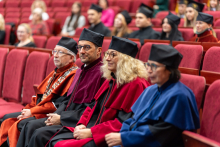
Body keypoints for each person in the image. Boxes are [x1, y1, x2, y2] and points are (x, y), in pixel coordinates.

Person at [34, 36, 150, 147]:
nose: (107, 58)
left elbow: (125, 122)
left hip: (106, 136)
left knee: (58, 144)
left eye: (113, 55)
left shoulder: (136, 84)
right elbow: (92, 106)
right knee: (41, 134)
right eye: (107, 54)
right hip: (91, 127)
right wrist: (81, 124)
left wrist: (92, 132)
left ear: (126, 60)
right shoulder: (111, 79)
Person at [17, 29, 105, 147]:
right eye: (80, 47)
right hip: (65, 116)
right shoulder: (80, 71)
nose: (82, 51)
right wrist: (55, 115)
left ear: (99, 50)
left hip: (78, 122)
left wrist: (62, 118)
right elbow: (67, 101)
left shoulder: (103, 74)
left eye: (87, 47)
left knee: (38, 132)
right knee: (29, 125)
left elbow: (93, 109)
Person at [105, 44, 200, 147]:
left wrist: (125, 139)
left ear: (169, 70)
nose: (149, 70)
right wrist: (122, 137)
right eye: (148, 65)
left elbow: (163, 134)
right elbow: (132, 119)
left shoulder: (179, 95)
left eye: (154, 66)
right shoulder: (150, 90)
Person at [0, 37, 79, 147]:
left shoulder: (73, 75)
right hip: (39, 109)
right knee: (7, 118)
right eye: (54, 51)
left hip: (50, 114)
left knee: (22, 123)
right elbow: (41, 95)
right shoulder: (56, 71)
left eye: (60, 52)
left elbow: (57, 105)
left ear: (71, 58)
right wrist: (29, 108)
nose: (55, 55)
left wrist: (32, 112)